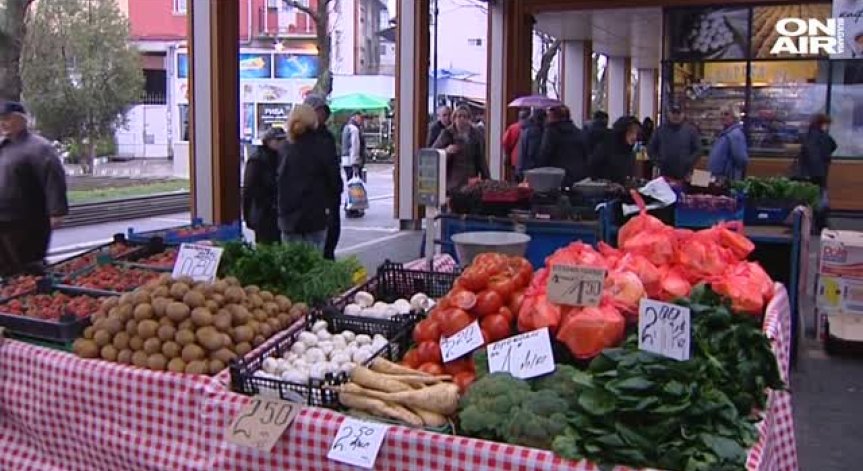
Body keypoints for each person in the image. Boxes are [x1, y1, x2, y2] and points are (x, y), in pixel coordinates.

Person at [0, 101, 68, 276]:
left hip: (28, 220)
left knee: (28, 265)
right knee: (6, 268)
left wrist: (57, 212)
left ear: (22, 120)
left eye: (7, 119)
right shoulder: (3, 146)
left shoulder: (39, 147)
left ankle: (35, 297)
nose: (2, 123)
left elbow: (54, 179)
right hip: (3, 218)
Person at [277, 104, 341, 251]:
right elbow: (335, 182)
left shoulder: (284, 148)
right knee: (314, 264)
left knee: (292, 265)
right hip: (315, 215)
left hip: (288, 218)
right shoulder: (322, 145)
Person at [304, 94, 343, 260]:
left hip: (330, 197)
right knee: (316, 245)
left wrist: (337, 188)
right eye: (318, 111)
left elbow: (332, 167)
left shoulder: (326, 137)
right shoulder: (300, 139)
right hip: (312, 200)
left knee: (331, 235)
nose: (321, 116)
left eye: (323, 112)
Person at [242, 127, 285, 244]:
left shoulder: (282, 158)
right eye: (278, 140)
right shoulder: (257, 160)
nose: (281, 143)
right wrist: (248, 215)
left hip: (278, 212)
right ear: (268, 141)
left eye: (283, 140)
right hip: (263, 212)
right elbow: (249, 189)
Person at [432, 105, 489, 194]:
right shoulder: (447, 133)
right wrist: (446, 151)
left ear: (469, 119)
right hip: (452, 181)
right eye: (459, 116)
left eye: (464, 116)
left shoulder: (476, 134)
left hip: (471, 180)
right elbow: (434, 153)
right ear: (454, 118)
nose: (461, 119)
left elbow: (481, 158)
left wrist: (486, 179)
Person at [796, 113, 837, 232]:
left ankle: (812, 224)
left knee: (811, 198)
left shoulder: (811, 135)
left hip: (811, 172)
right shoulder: (820, 136)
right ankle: (820, 224)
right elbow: (832, 145)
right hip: (817, 173)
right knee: (819, 198)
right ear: (822, 123)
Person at [536, 105, 588, 186]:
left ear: (553, 116)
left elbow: (545, 153)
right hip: (578, 174)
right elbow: (585, 153)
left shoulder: (551, 131)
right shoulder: (577, 131)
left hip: (557, 175)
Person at [647, 105, 702, 180]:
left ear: (683, 114)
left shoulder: (691, 131)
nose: (676, 116)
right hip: (664, 173)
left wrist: (688, 162)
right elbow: (650, 149)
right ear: (669, 113)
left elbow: (698, 150)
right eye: (673, 113)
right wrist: (658, 162)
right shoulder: (660, 130)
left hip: (685, 174)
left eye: (678, 113)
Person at [588, 116, 641, 184]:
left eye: (636, 133)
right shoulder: (605, 147)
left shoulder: (630, 152)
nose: (634, 137)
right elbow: (592, 171)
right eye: (630, 132)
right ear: (622, 132)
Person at [707, 106, 748, 181]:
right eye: (721, 114)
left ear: (734, 116)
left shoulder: (735, 134)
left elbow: (741, 159)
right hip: (717, 178)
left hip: (726, 180)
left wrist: (729, 172)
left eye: (726, 114)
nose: (722, 117)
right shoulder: (725, 133)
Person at [341, 111, 366, 218]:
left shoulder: (346, 128)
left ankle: (350, 206)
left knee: (350, 184)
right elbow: (355, 147)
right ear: (355, 117)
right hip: (352, 161)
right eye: (360, 118)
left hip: (345, 160)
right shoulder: (354, 130)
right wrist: (356, 161)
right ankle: (352, 207)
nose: (361, 120)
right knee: (354, 185)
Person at [516, 108, 545, 177]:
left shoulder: (525, 130)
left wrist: (519, 169)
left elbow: (521, 152)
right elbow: (532, 152)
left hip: (526, 168)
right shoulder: (536, 132)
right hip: (533, 169)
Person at [502, 109, 529, 179]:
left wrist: (507, 154)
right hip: (528, 160)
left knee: (515, 181)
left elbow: (505, 142)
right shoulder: (531, 128)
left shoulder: (513, 128)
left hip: (514, 158)